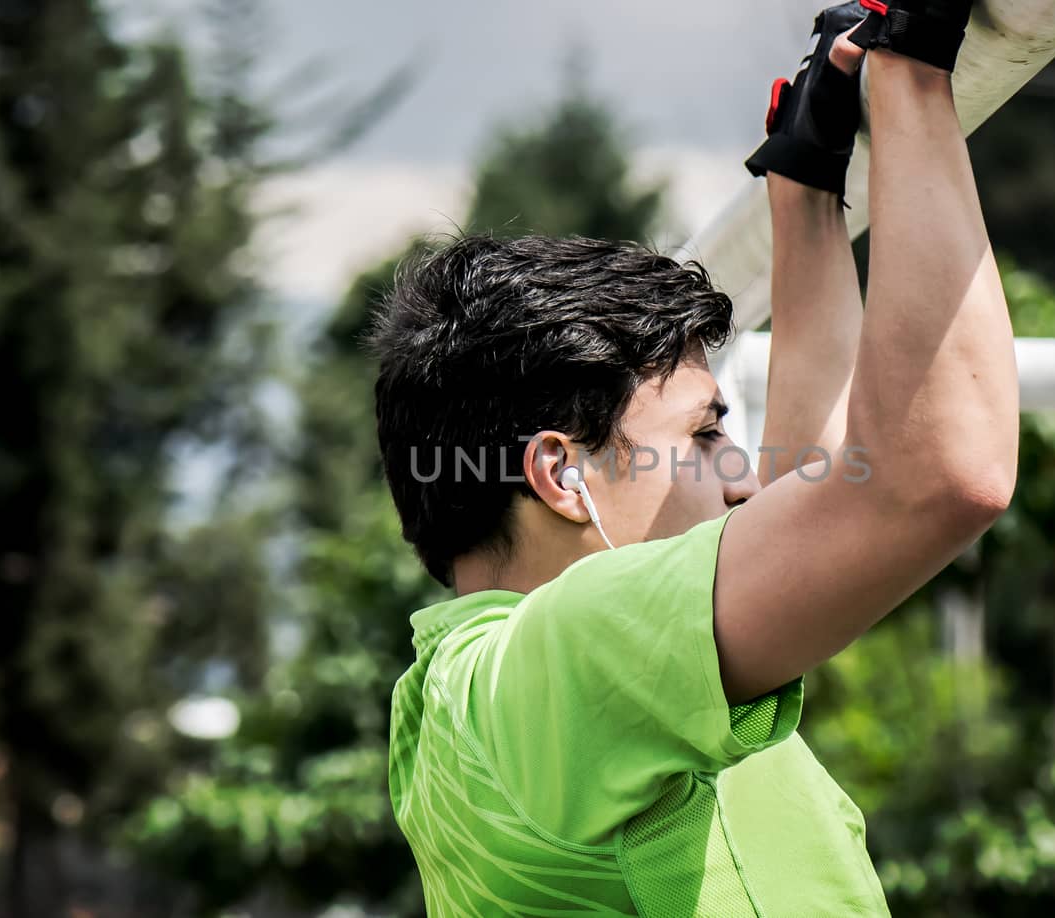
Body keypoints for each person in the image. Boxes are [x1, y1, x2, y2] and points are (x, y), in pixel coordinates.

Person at [373, 0, 1015, 913]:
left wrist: (804, 193)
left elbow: (819, 507)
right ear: (561, 476)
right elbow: (936, 476)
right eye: (703, 435)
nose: (744, 473)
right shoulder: (555, 668)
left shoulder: (504, 705)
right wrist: (911, 65)